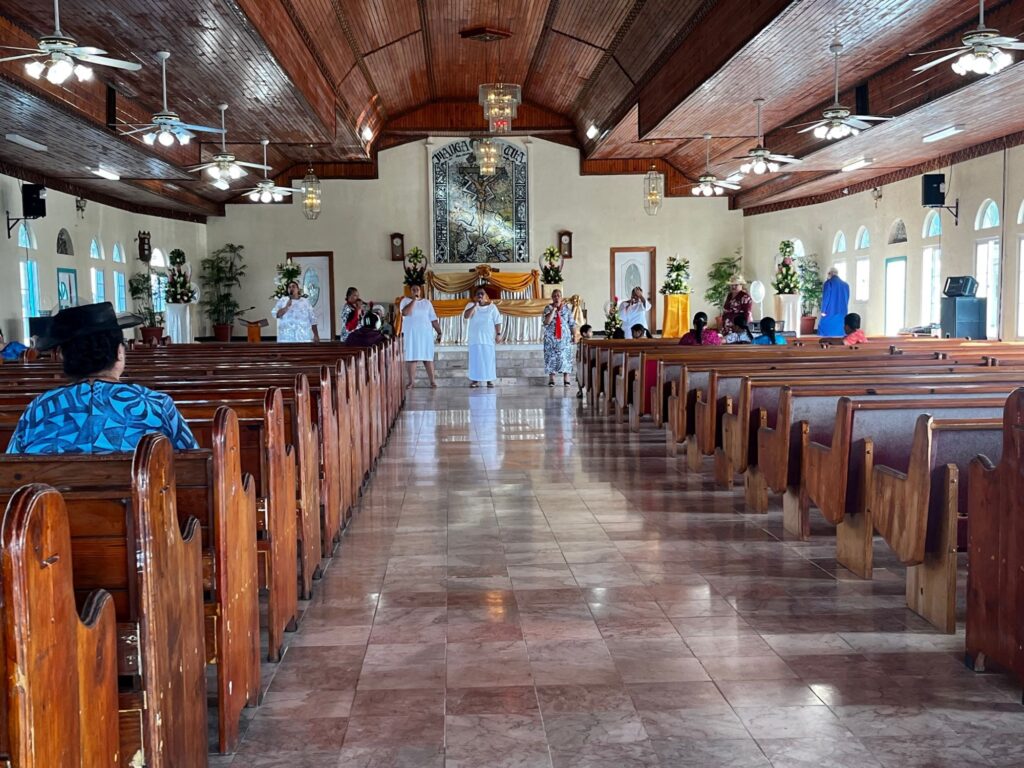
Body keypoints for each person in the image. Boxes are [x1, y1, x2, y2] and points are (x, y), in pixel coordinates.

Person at [6, 302, 199, 454]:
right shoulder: (157, 405)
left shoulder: (38, 409)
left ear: (63, 357)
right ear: (120, 353)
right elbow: (193, 466)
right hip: (142, 504)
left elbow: (12, 472)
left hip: (52, 503)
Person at [400, 283, 442, 388]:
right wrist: (414, 300)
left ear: (420, 291)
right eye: (413, 289)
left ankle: (432, 381)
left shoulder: (427, 303)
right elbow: (405, 313)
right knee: (412, 358)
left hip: (425, 334)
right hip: (412, 334)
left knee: (427, 358)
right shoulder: (405, 301)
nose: (415, 291)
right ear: (410, 291)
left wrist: (439, 331)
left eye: (417, 289)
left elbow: (433, 319)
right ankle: (411, 382)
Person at [463, 287, 502, 388]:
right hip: (475, 339)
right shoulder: (471, 305)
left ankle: (489, 380)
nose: (480, 295)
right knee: (475, 360)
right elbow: (466, 316)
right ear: (475, 296)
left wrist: (498, 334)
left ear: (486, 296)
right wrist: (475, 305)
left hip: (488, 339)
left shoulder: (492, 307)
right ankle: (475, 380)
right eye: (478, 294)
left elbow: (497, 321)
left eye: (482, 294)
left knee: (488, 360)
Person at [542, 289, 576, 387]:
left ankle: (566, 378)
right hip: (551, 339)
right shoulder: (547, 308)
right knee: (551, 358)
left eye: (558, 296)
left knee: (566, 358)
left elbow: (572, 323)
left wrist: (574, 335)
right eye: (555, 296)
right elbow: (547, 322)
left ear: (561, 298)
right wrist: (554, 310)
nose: (557, 297)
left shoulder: (567, 309)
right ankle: (552, 378)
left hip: (564, 339)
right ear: (552, 298)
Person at [819, 267, 850, 337]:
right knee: (840, 331)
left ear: (830, 274)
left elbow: (826, 297)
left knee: (825, 329)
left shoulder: (828, 283)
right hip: (842, 311)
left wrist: (823, 310)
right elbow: (847, 298)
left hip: (830, 311)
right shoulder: (846, 285)